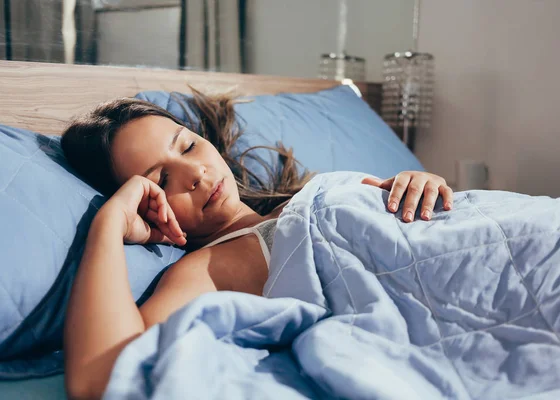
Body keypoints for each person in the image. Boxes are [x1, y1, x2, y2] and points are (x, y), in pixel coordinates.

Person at [60, 89, 453, 399]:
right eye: (161, 181)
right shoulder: (209, 267)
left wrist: (421, 184)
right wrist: (109, 223)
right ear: (147, 208)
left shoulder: (302, 202)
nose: (194, 173)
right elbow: (102, 377)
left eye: (188, 146)